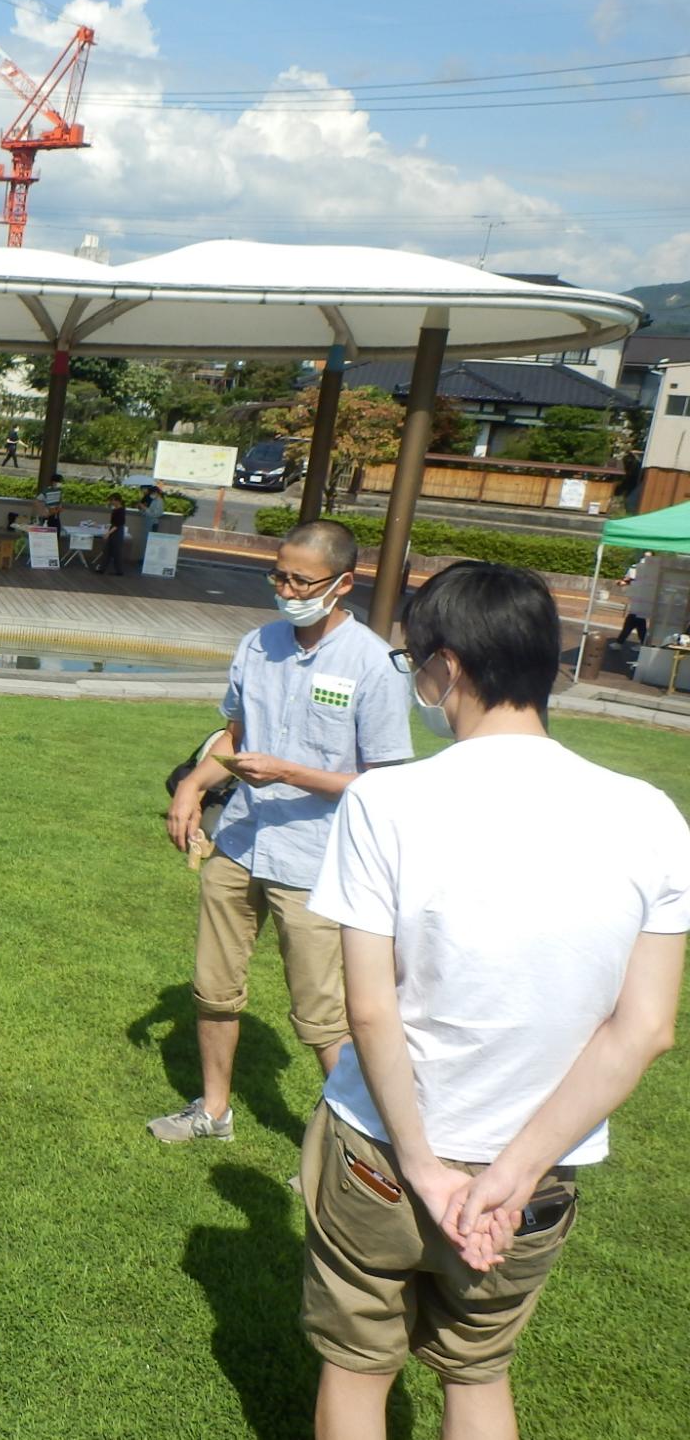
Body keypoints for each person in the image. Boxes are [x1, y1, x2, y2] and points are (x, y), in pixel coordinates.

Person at [301, 561, 690, 1440]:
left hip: (382, 1150)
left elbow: (368, 1010)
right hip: (540, 1173)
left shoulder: (387, 800)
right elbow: (646, 1030)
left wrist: (429, 1168)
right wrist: (511, 1177)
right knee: (478, 1372)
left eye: (413, 665)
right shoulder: (652, 816)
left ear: (446, 667)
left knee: (358, 1369)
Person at [149, 519, 412, 1144]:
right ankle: (213, 1112)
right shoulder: (258, 644)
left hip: (316, 864)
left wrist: (292, 772)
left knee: (323, 1018)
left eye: (301, 579)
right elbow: (234, 737)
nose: (287, 589)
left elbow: (385, 786)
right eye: (280, 576)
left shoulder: (375, 666)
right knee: (213, 989)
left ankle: (343, 1150)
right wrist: (192, 785)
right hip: (238, 843)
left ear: (343, 583)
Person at [614, 553, 651, 646]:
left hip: (645, 600)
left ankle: (620, 642)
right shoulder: (635, 568)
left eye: (649, 557)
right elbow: (627, 579)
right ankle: (643, 644)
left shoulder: (654, 571)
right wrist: (623, 582)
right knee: (638, 621)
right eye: (644, 556)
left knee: (635, 620)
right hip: (636, 599)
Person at [93, 492, 129, 576]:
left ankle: (119, 571)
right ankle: (102, 568)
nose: (111, 502)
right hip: (114, 529)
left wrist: (108, 533)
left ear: (117, 501)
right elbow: (114, 523)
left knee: (116, 552)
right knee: (107, 550)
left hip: (117, 531)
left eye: (112, 500)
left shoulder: (120, 511)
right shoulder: (116, 510)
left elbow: (117, 524)